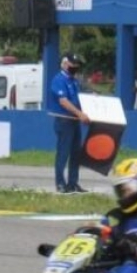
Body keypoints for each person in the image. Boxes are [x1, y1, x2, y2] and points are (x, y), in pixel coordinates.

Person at [47, 53, 90, 193]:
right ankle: (60, 183)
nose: (75, 68)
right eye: (73, 65)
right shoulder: (58, 80)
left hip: (75, 121)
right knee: (63, 153)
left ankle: (73, 183)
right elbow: (63, 101)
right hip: (64, 121)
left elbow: (80, 99)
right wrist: (80, 114)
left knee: (76, 153)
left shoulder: (74, 81)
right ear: (65, 64)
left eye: (77, 65)